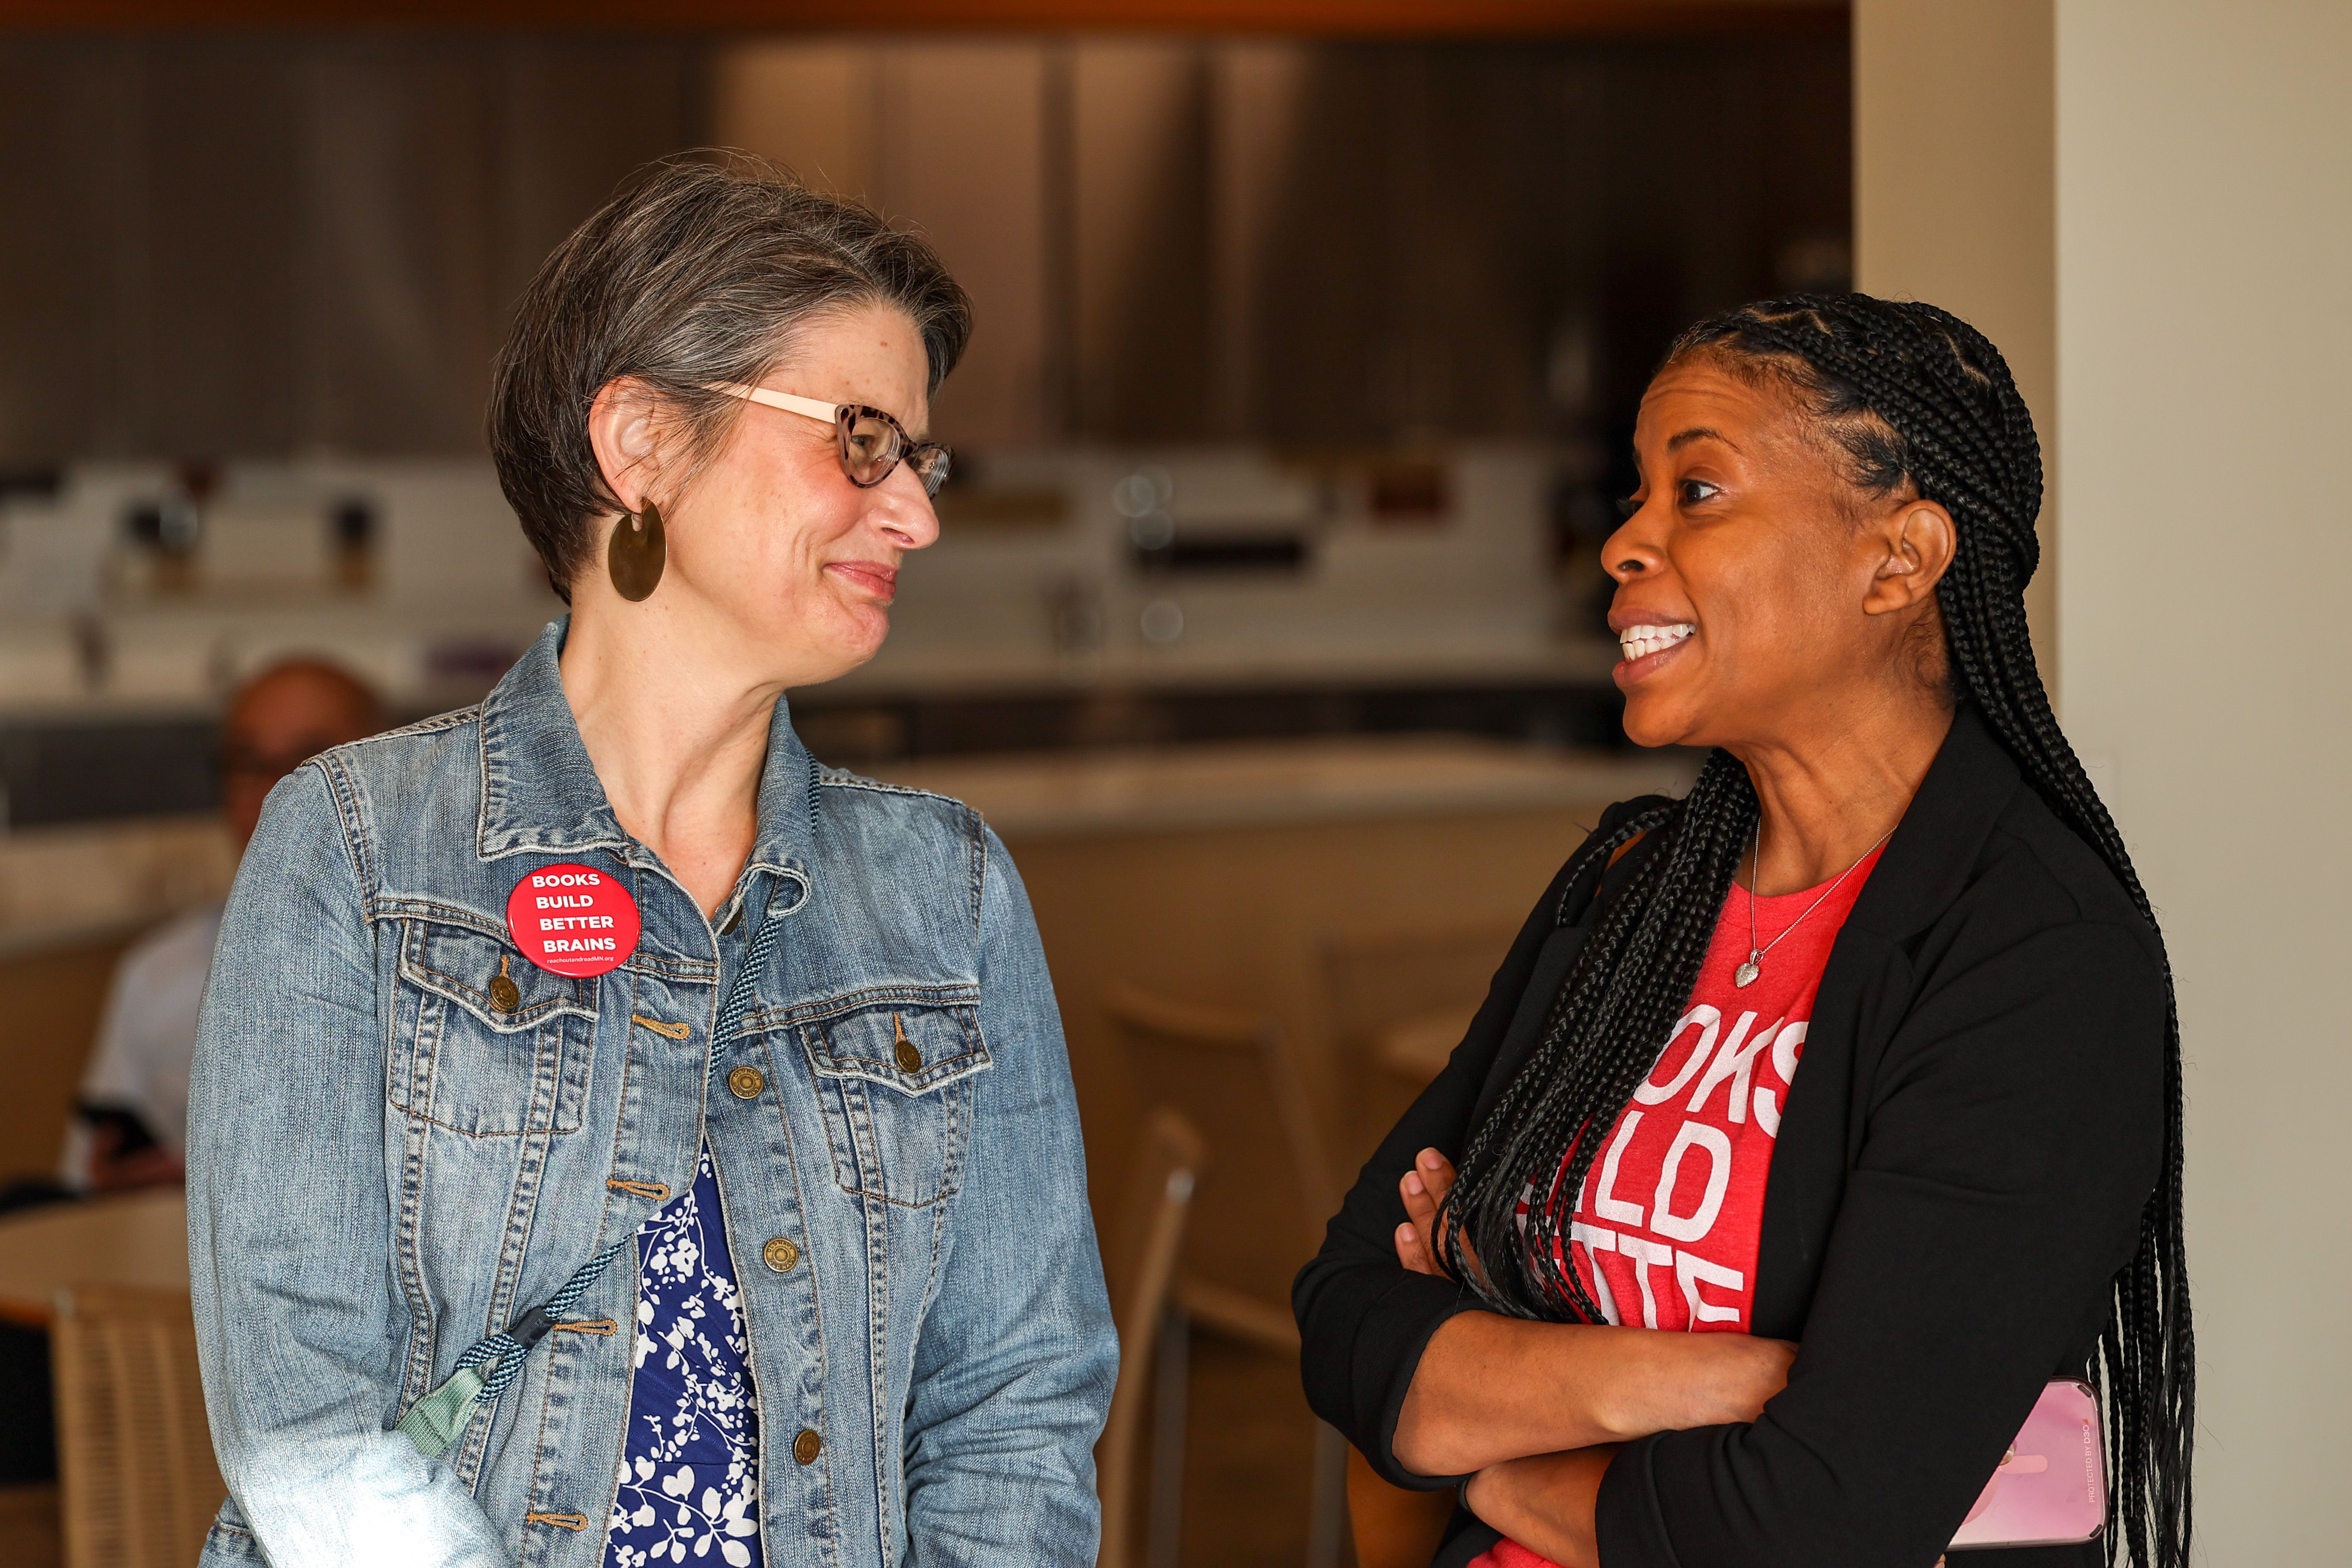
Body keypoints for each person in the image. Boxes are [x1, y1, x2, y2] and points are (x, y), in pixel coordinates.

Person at [186, 159, 1115, 1568]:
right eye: (862, 439)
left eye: (920, 460)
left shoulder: (948, 892)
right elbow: (311, 1441)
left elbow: (1015, 1415)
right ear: (639, 445)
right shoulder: (357, 852)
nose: (915, 513)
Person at [1295, 294, 2191, 1568]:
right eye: (1636, 494)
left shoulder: (2036, 959)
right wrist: (1680, 1380)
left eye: (1696, 491)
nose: (1623, 543)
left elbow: (1816, 1515)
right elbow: (1341, 1312)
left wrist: (1493, 1448)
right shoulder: (1635, 884)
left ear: (1899, 558)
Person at [60, 659, 383, 1194]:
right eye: (249, 763)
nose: (273, 794)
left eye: (309, 763)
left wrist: (228, 1190)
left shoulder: (445, 964)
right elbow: (78, 1179)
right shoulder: (158, 970)